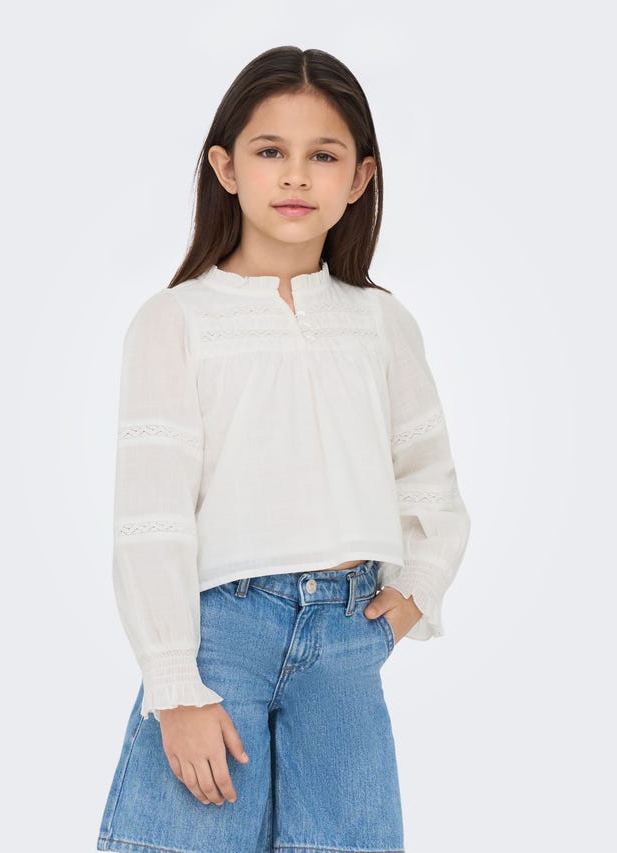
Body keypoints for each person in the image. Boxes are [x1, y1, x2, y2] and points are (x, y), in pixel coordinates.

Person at [97, 44, 471, 853]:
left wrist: (414, 592)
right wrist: (175, 685)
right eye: (271, 151)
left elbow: (430, 480)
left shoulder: (381, 323)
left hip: (346, 640)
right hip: (218, 642)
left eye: (323, 156)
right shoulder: (175, 322)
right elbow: (152, 516)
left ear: (360, 178)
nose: (296, 176)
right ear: (226, 167)